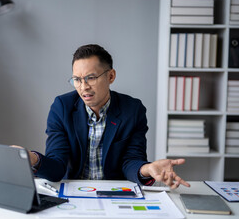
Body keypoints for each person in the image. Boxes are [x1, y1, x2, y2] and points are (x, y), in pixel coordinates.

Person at [28, 44, 190, 189]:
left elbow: (131, 161)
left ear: (111, 76)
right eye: (77, 79)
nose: (84, 87)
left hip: (114, 191)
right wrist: (33, 159)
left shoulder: (132, 110)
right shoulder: (62, 107)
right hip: (73, 190)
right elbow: (57, 165)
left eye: (90, 78)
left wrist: (147, 169)